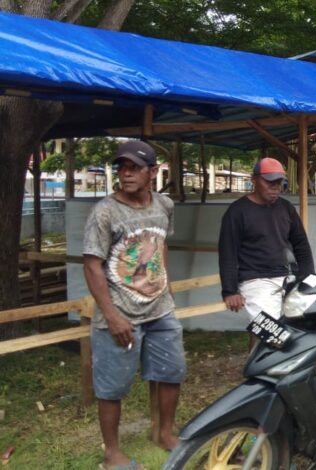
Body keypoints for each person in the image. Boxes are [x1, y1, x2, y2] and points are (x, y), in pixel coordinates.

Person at [83, 140, 184, 470]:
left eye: (134, 167)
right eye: (122, 167)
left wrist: (164, 285)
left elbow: (160, 244)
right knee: (112, 387)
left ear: (153, 172)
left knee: (171, 372)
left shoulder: (165, 205)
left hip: (161, 310)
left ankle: (164, 434)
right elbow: (92, 265)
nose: (126, 173)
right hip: (120, 314)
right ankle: (112, 453)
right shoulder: (106, 212)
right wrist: (111, 315)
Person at [218, 157, 315, 326]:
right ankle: (261, 350)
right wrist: (230, 291)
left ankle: (261, 352)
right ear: (254, 180)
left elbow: (301, 245)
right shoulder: (237, 212)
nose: (275, 187)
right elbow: (228, 253)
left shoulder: (286, 208)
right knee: (271, 331)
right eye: (270, 182)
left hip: (286, 276)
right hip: (255, 280)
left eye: (279, 182)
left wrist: (307, 279)